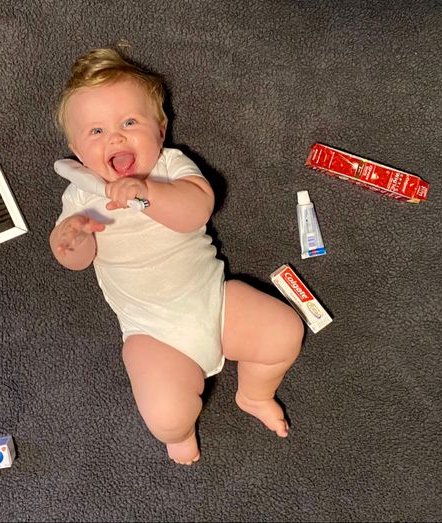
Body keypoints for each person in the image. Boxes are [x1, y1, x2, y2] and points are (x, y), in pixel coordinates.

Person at [50, 47, 304, 465]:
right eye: (96, 132)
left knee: (284, 332)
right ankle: (181, 431)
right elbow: (77, 259)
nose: (115, 137)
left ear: (161, 129)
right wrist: (71, 240)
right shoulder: (83, 195)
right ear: (77, 151)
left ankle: (254, 394)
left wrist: (147, 193)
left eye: (129, 122)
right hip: (152, 332)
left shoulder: (170, 167)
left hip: (215, 302)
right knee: (167, 416)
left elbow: (195, 211)